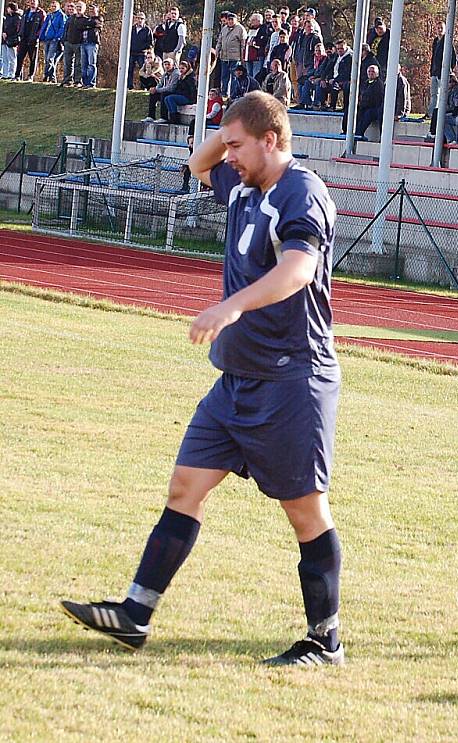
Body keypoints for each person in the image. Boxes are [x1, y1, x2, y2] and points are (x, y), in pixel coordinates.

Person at [61, 90, 345, 669]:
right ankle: (135, 614)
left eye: (238, 144)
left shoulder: (301, 192)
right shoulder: (243, 183)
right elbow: (198, 164)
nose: (226, 154)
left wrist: (230, 308)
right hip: (236, 380)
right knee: (184, 489)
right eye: (226, 143)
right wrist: (228, 131)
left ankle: (325, 641)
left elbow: (297, 271)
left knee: (305, 511)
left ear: (272, 141)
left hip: (292, 380)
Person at [429, 20, 455, 118]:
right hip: (434, 72)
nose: (439, 30)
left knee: (442, 93)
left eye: (441, 28)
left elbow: (453, 57)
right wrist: (432, 70)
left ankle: (439, 113)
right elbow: (433, 56)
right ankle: (431, 113)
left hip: (442, 72)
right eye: (438, 28)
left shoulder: (447, 41)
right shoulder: (436, 41)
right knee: (434, 94)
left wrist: (448, 70)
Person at [216, 11, 246, 97]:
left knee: (234, 77)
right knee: (224, 77)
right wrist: (217, 51)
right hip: (224, 57)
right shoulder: (224, 28)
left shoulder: (240, 29)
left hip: (235, 58)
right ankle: (224, 93)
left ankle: (233, 95)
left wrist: (242, 57)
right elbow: (220, 41)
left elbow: (243, 44)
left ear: (236, 20)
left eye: (232, 20)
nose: (230, 21)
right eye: (229, 20)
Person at [15, 0, 45, 80]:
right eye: (31, 1)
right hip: (24, 38)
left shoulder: (41, 13)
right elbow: (21, 23)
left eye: (34, 1)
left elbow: (42, 26)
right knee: (20, 57)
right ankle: (17, 75)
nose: (32, 2)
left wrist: (37, 36)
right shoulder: (26, 11)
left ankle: (30, 76)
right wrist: (19, 33)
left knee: (33, 58)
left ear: (37, 2)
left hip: (33, 39)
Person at [143, 55, 178, 122]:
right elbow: (160, 84)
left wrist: (157, 90)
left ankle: (164, 117)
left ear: (173, 65)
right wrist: (155, 89)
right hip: (166, 91)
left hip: (174, 92)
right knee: (153, 94)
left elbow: (171, 88)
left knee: (164, 94)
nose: (167, 66)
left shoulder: (176, 74)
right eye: (165, 64)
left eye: (169, 64)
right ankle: (151, 116)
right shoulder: (165, 74)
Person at [162, 58, 196, 123]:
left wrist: (193, 99)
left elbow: (192, 89)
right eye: (180, 68)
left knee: (170, 98)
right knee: (166, 98)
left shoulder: (190, 77)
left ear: (187, 68)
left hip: (188, 97)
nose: (181, 70)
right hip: (181, 95)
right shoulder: (181, 76)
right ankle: (172, 116)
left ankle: (175, 118)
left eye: (183, 68)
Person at [39, 0, 66, 83]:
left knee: (50, 58)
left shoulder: (61, 15)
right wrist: (41, 36)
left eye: (55, 6)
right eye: (52, 6)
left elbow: (62, 27)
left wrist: (57, 37)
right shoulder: (49, 15)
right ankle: (51, 77)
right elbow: (45, 26)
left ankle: (47, 75)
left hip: (54, 40)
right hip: (47, 39)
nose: (53, 8)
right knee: (47, 59)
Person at [355, 63, 384, 136]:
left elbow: (378, 99)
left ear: (377, 74)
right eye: (369, 72)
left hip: (374, 108)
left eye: (373, 72)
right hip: (364, 106)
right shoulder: (365, 83)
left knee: (367, 114)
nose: (371, 73)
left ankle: (359, 134)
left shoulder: (379, 84)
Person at [77, 2, 101, 88]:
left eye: (93, 9)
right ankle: (85, 83)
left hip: (92, 43)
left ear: (97, 10)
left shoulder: (99, 18)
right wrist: (89, 25)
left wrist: (88, 25)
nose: (91, 11)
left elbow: (96, 24)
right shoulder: (87, 19)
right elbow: (80, 26)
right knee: (84, 65)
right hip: (84, 43)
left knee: (91, 64)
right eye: (90, 10)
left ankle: (91, 83)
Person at [127, 11, 153, 89]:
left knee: (143, 70)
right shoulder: (131, 29)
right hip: (132, 52)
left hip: (142, 53)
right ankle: (129, 86)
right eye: (138, 18)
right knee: (129, 69)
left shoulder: (147, 30)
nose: (140, 20)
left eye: (142, 19)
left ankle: (143, 87)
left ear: (144, 20)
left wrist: (144, 49)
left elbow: (150, 43)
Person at [59, 0, 81, 85]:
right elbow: (65, 30)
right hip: (68, 43)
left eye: (73, 7)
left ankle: (77, 80)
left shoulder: (82, 18)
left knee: (78, 63)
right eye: (69, 7)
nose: (71, 9)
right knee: (67, 63)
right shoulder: (69, 19)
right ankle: (67, 80)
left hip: (78, 43)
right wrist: (63, 40)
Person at [1, 3, 23, 79]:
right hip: (4, 40)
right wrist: (4, 32)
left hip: (12, 40)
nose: (7, 9)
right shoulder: (7, 17)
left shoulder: (17, 18)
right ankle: (5, 74)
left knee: (12, 58)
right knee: (5, 58)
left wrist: (8, 34)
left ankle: (11, 74)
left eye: (8, 8)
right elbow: (4, 26)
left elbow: (16, 29)